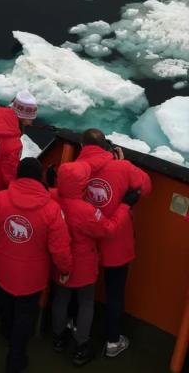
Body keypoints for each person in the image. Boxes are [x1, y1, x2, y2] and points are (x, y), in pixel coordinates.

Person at [0, 157, 72, 373]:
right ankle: (16, 358)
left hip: (2, 269)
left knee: (6, 305)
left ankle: (5, 331)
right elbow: (60, 248)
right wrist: (65, 269)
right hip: (32, 276)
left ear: (18, 175)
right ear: (39, 177)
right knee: (25, 315)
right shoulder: (51, 209)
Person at [49, 160, 139, 366]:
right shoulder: (86, 211)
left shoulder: (52, 197)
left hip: (60, 262)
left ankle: (58, 338)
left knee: (61, 298)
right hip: (83, 265)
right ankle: (81, 346)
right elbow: (108, 229)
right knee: (86, 303)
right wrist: (125, 205)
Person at [75, 129, 152, 357]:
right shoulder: (123, 168)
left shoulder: (76, 169)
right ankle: (112, 340)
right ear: (106, 148)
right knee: (115, 292)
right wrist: (123, 164)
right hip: (116, 242)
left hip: (85, 240)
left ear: (83, 147)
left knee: (80, 288)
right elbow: (146, 187)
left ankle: (76, 326)